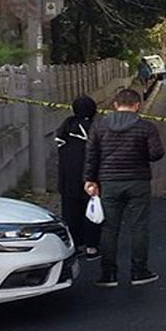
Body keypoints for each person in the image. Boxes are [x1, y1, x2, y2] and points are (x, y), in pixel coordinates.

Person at [84, 88, 164, 287]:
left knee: (110, 228)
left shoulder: (99, 126)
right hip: (138, 181)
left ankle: (108, 274)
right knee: (139, 227)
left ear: (115, 105)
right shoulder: (146, 127)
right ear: (137, 106)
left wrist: (90, 180)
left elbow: (91, 155)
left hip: (109, 181)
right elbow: (156, 154)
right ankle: (139, 271)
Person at [55, 95, 101, 261]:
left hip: (67, 178)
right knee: (92, 212)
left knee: (70, 213)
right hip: (89, 177)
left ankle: (74, 245)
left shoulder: (66, 126)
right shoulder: (94, 128)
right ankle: (92, 247)